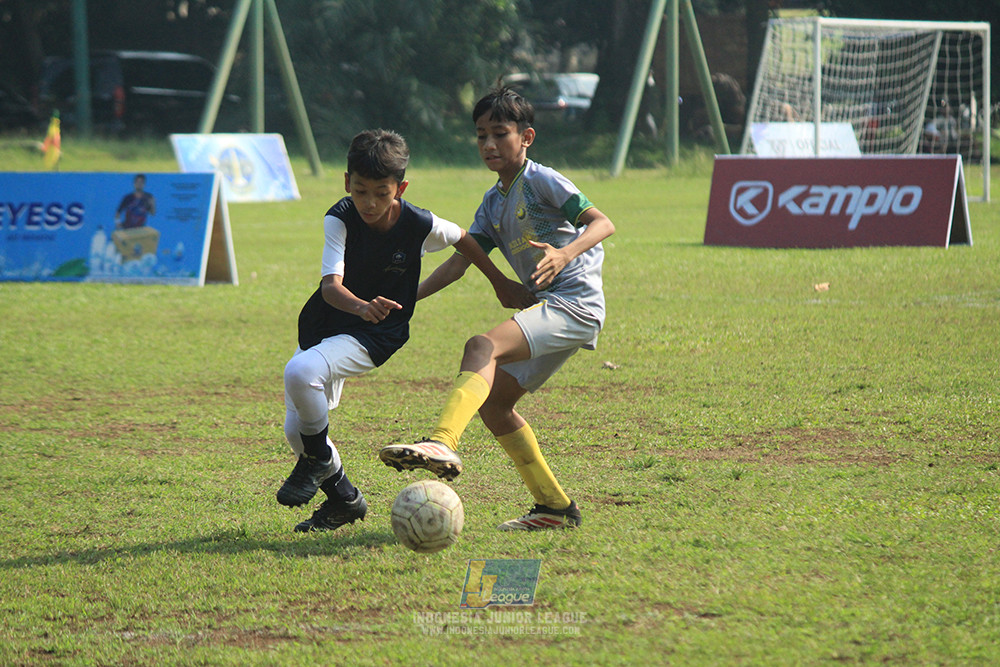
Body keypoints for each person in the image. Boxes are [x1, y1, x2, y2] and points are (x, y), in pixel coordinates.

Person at [379, 87, 615, 531]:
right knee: (496, 406)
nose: (489, 144)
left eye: (500, 133)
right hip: (550, 306)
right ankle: (555, 507)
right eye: (481, 135)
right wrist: (405, 302)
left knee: (481, 346)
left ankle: (443, 441)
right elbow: (458, 264)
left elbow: (603, 223)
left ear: (526, 136)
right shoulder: (492, 203)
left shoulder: (542, 180)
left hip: (574, 302)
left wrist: (565, 255)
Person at [277, 129, 531, 533]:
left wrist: (500, 282)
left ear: (401, 187)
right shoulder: (339, 217)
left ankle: (316, 462)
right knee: (299, 431)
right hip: (327, 321)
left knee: (300, 374)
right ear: (347, 183)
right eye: (361, 191)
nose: (370, 203)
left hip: (377, 333)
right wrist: (362, 304)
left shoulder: (418, 223)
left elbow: (464, 239)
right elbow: (331, 287)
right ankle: (344, 498)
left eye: (382, 192)